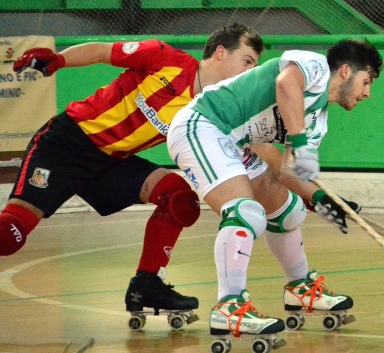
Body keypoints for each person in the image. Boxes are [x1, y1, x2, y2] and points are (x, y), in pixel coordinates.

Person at [2, 23, 263, 317]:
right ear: (220, 53)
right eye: (247, 61)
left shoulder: (212, 110)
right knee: (10, 235)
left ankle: (146, 286)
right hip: (67, 143)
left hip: (112, 162)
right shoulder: (164, 57)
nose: (251, 72)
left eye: (255, 66)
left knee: (178, 198)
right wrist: (59, 59)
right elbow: (102, 51)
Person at [167, 39, 383, 336]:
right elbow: (285, 83)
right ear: (345, 71)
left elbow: (289, 171)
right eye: (366, 81)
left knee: (288, 211)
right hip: (202, 125)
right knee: (245, 212)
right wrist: (299, 141)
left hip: (233, 143)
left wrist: (322, 198)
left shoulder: (318, 121)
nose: (367, 93)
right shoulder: (315, 66)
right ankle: (229, 307)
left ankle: (300, 288)